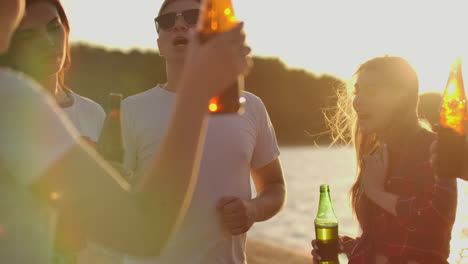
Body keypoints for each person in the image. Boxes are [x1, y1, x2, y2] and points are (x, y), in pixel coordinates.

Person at [0, 0, 252, 262]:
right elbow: (143, 232)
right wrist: (199, 85)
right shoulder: (11, 99)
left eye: (53, 28)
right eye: (26, 33)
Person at [121, 0, 286, 263]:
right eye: (167, 21)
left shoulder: (249, 106)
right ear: (160, 44)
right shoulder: (130, 110)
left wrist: (252, 210)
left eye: (192, 17)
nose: (179, 24)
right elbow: (118, 199)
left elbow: (274, 186)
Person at [312, 56, 458, 263]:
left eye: (370, 91)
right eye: (357, 91)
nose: (357, 101)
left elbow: (435, 219)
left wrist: (376, 192)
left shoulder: (433, 149)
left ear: (402, 97)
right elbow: (384, 242)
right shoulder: (376, 155)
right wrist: (343, 247)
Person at [0, 0, 105, 147]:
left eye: (54, 28)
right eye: (28, 35)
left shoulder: (93, 113)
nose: (48, 42)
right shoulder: (7, 113)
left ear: (66, 29)